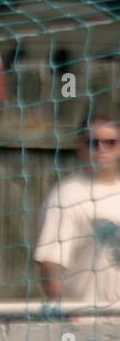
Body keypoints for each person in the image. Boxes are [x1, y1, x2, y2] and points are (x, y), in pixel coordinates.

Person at [34, 109, 120, 307]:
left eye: (110, 142)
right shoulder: (66, 195)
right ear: (80, 148)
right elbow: (50, 262)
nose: (101, 149)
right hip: (87, 320)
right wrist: (65, 311)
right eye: (92, 142)